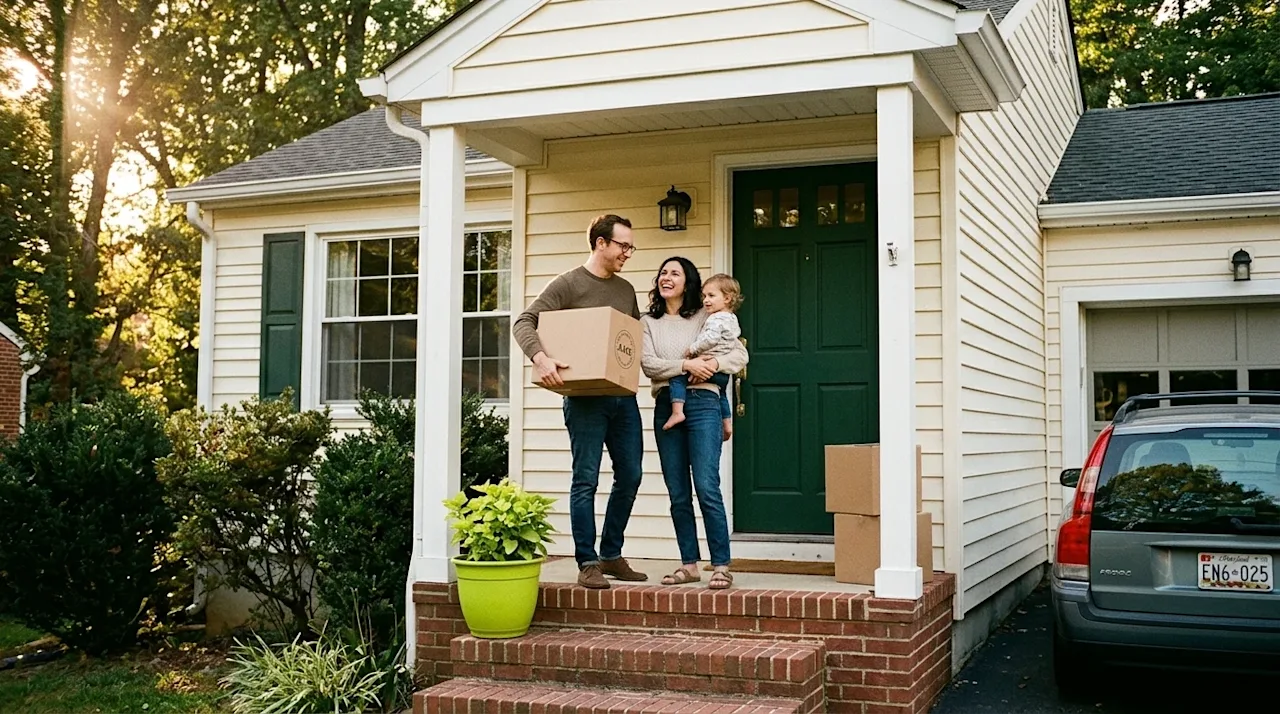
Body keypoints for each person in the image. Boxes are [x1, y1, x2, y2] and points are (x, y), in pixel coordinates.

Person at [511, 214, 650, 590]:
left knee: (632, 475)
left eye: (630, 247)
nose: (628, 253)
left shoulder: (625, 290)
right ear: (601, 243)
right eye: (623, 245)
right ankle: (587, 561)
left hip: (621, 399)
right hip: (585, 399)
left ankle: (610, 553)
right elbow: (524, 322)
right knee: (585, 479)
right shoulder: (568, 284)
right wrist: (541, 358)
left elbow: (630, 340)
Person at [640, 257, 749, 590]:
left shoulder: (708, 316)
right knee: (677, 493)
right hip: (666, 407)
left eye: (675, 272)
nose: (666, 277)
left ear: (688, 282)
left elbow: (740, 355)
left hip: (704, 404)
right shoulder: (648, 322)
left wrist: (711, 362)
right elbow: (649, 365)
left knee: (706, 486)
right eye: (662, 272)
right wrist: (687, 364)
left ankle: (720, 565)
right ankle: (689, 564)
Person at [662, 273, 743, 441]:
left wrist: (693, 349)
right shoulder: (732, 318)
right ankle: (727, 424)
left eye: (711, 296)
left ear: (727, 298)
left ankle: (677, 412)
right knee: (721, 393)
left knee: (677, 375)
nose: (706, 300)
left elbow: (711, 339)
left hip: (708, 363)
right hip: (721, 374)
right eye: (704, 296)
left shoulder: (715, 318)